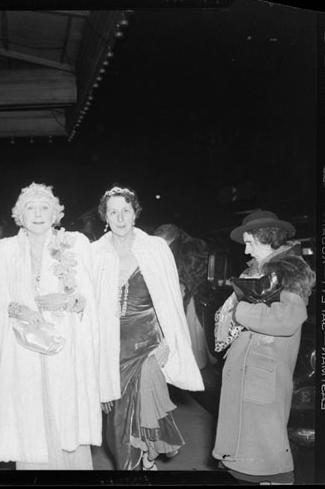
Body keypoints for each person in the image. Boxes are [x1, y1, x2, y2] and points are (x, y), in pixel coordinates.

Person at [0, 182, 102, 469]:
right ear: (18, 215)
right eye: (30, 208)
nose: (37, 214)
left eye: (45, 207)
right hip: (22, 352)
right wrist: (18, 309)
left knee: (66, 418)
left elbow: (89, 299)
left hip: (64, 352)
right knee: (30, 422)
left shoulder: (75, 245)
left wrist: (67, 300)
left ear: (56, 213)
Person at [90, 186, 204, 471]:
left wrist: (167, 342)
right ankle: (135, 463)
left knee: (142, 415)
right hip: (111, 350)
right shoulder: (93, 253)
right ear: (105, 216)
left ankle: (141, 464)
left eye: (125, 211)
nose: (120, 218)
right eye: (113, 212)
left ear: (135, 213)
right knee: (116, 423)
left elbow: (170, 302)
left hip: (147, 346)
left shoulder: (154, 249)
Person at [212, 210, 316, 485]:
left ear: (265, 237)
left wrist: (240, 313)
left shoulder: (290, 271)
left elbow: (289, 318)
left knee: (270, 455)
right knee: (246, 455)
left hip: (264, 372)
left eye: (249, 242)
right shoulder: (254, 271)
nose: (246, 249)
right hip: (248, 370)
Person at [153, 223, 216, 369]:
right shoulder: (185, 248)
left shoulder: (191, 250)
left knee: (194, 349)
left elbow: (192, 278)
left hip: (196, 302)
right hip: (188, 302)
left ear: (170, 240)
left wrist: (180, 285)